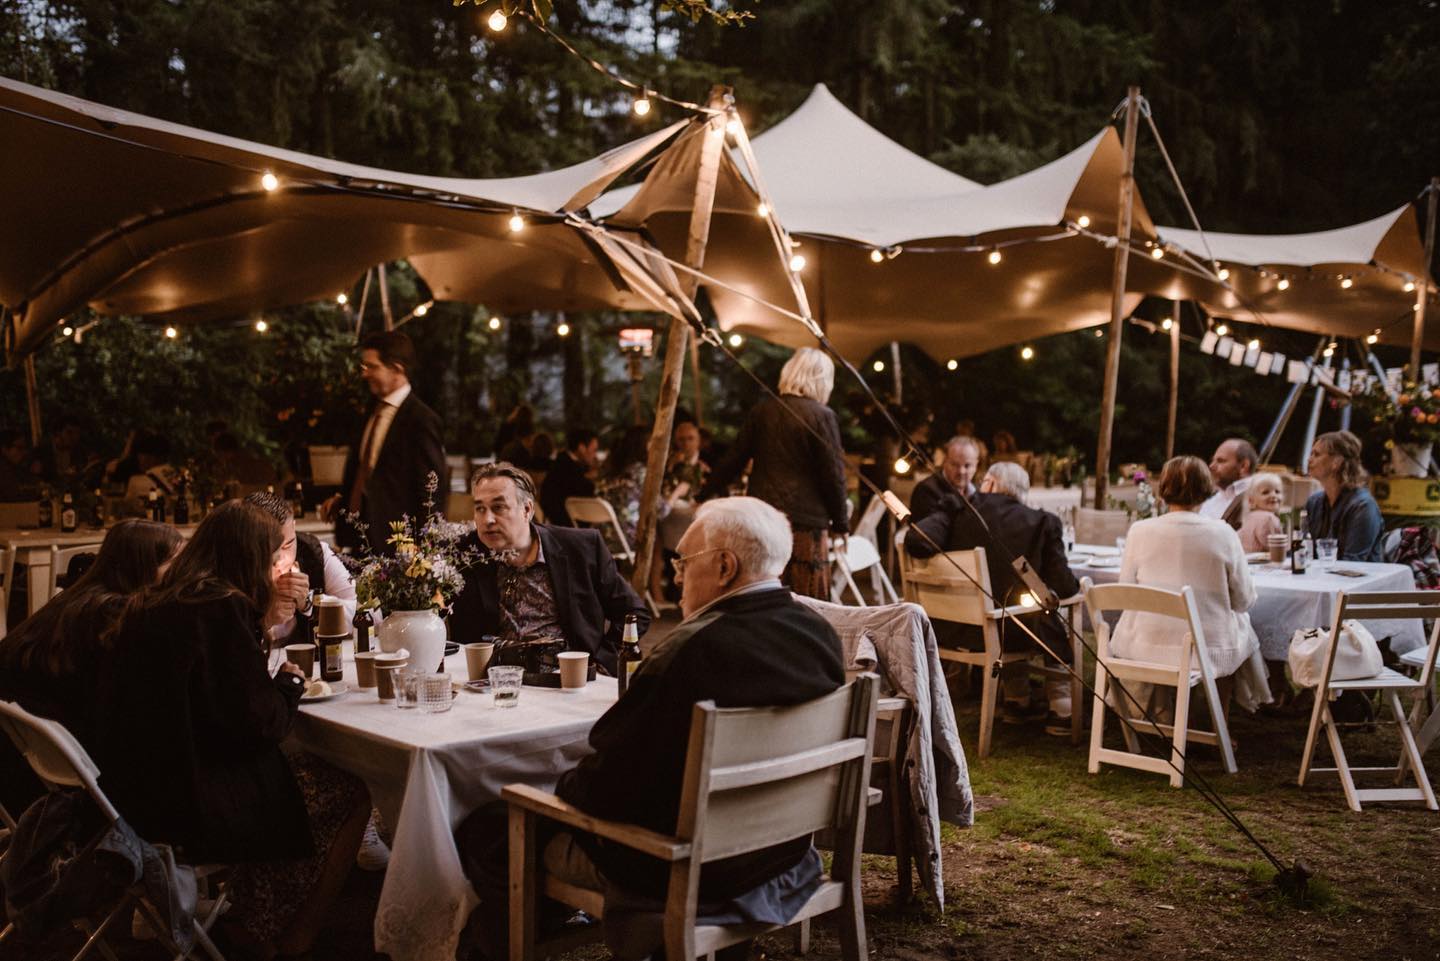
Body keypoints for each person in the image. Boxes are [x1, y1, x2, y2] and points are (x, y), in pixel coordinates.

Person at [456, 496, 845, 961]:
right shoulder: (821, 635)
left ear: (724, 566)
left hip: (683, 865)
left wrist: (554, 790)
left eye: (683, 561)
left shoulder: (689, 653)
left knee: (487, 825)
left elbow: (605, 787)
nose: (675, 576)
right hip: (781, 851)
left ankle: (504, 942)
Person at [96, 501, 369, 959]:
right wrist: (290, 682)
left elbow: (217, 697)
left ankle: (251, 915)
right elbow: (263, 725)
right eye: (280, 551)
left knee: (292, 774)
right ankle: (287, 937)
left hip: (135, 792)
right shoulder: (221, 608)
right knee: (348, 792)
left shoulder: (163, 599)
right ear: (251, 555)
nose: (286, 561)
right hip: (188, 804)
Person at [906, 461, 1080, 731]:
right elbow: (1065, 588)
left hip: (955, 629)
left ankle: (1017, 699)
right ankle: (1062, 707)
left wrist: (947, 508)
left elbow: (916, 543)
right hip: (1017, 629)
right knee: (1043, 607)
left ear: (990, 484)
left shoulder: (957, 515)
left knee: (1014, 606)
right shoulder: (1043, 521)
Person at [447, 462, 649, 673]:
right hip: (494, 680)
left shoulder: (581, 549)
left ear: (527, 510)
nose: (487, 519)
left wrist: (601, 663)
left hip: (565, 680)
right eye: (480, 508)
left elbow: (635, 614)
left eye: (499, 507)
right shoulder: (463, 556)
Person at [0, 520, 183, 751]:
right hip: (60, 743)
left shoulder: (79, 596)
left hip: (24, 734)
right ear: (142, 565)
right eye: (174, 562)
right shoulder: (114, 614)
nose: (182, 571)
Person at [1109, 456, 1259, 717]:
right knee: (1239, 625)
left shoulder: (1140, 530)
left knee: (1205, 626)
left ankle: (1163, 710)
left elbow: (1126, 591)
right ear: (1206, 489)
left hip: (1144, 643)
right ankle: (1217, 720)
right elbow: (1243, 601)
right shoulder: (1223, 533)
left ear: (1163, 489)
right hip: (1205, 648)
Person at [705, 347, 849, 598]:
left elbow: (734, 458)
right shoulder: (822, 416)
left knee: (765, 590)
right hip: (806, 524)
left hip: (764, 518)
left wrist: (705, 492)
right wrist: (842, 524)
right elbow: (832, 475)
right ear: (822, 380)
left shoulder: (762, 412)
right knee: (807, 599)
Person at [323, 331, 447, 554]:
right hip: (359, 537)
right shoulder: (371, 409)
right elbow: (367, 471)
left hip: (397, 544)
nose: (365, 374)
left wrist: (425, 545)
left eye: (372, 367)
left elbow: (432, 489)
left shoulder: (421, 420)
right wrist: (342, 500)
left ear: (397, 369)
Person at [243, 491, 356, 646]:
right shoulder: (237, 567)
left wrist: (310, 603)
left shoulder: (314, 553)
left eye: (288, 545)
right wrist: (265, 622)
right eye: (270, 550)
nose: (281, 559)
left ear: (294, 528)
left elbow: (367, 616)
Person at [1304, 430, 1383, 562]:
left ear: (1337, 462)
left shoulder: (1363, 506)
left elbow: (1352, 562)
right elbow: (1306, 551)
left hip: (1359, 580)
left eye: (1316, 454)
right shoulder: (1314, 502)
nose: (1309, 459)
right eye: (1311, 454)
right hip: (1322, 578)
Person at [910, 435, 981, 522]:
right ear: (945, 462)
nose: (961, 471)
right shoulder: (926, 490)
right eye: (955, 465)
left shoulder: (980, 492)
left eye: (967, 466)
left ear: (976, 466)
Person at [539, 428, 600, 527]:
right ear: (581, 448)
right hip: (569, 526)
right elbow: (589, 490)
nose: (595, 455)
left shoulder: (562, 462)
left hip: (555, 523)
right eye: (594, 450)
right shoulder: (568, 468)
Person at [1198, 438, 1258, 528]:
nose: (1211, 466)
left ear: (1243, 466)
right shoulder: (1212, 496)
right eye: (1213, 460)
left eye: (1220, 461)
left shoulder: (1259, 498)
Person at [122, 431, 180, 505]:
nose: (138, 460)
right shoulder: (180, 477)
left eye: (140, 456)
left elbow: (127, 507)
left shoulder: (136, 481)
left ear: (148, 457)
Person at [1237, 473, 1285, 553]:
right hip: (1263, 563)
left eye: (1277, 491)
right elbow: (1277, 548)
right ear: (1251, 501)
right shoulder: (1268, 518)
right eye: (1265, 492)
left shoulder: (1248, 518)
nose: (1273, 495)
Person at [0, 429, 40, 502]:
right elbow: (15, 496)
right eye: (19, 448)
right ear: (4, 449)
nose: (24, 452)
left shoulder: (15, 466)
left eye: (24, 448)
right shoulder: (3, 470)